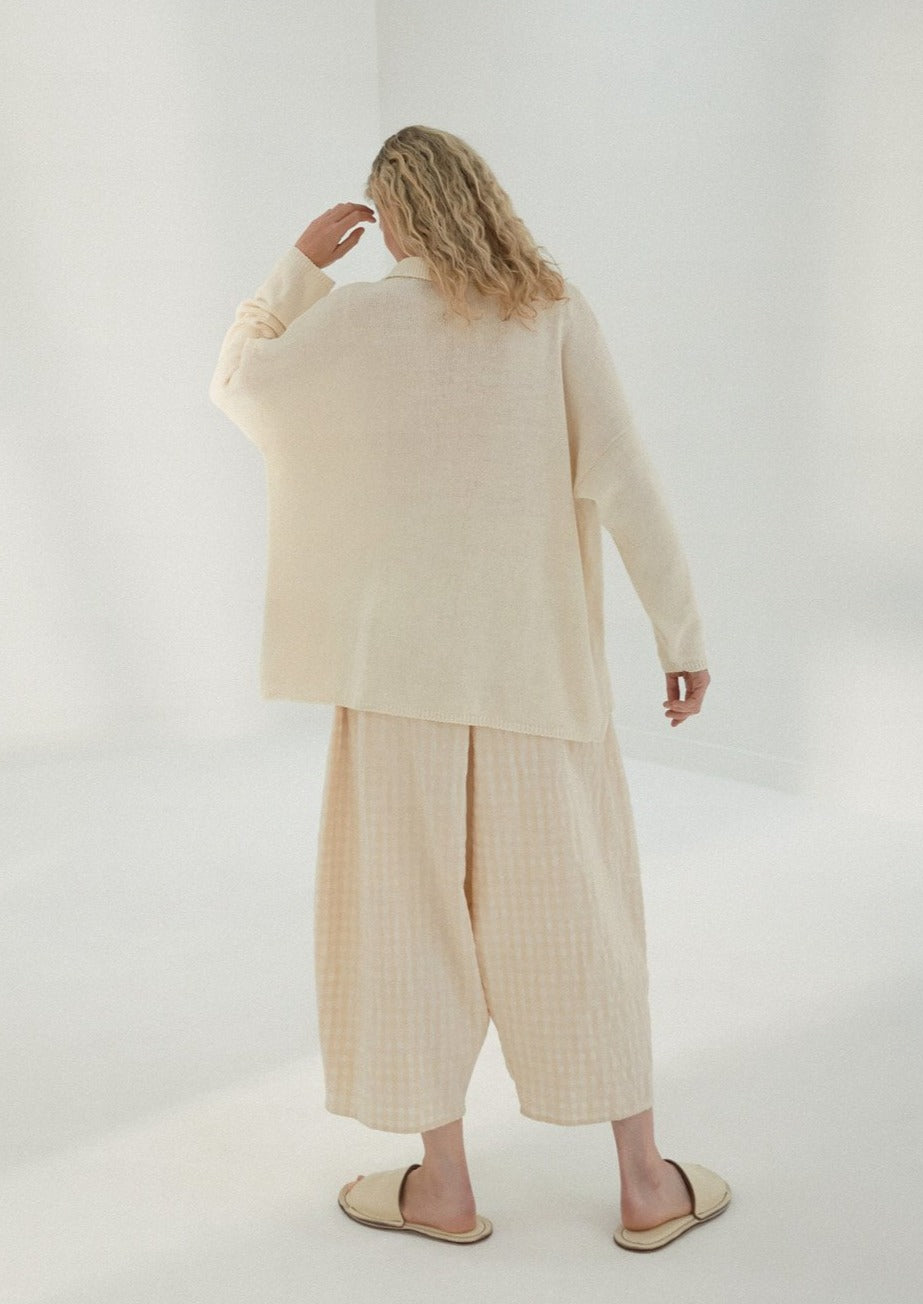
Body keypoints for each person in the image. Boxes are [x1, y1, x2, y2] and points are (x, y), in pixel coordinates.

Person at [208, 124, 730, 1250]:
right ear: (480, 199)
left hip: (395, 685)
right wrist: (678, 634)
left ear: (392, 214)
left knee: (403, 924)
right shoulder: (549, 314)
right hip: (536, 681)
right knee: (578, 920)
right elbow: (626, 478)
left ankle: (442, 1188)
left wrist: (297, 267)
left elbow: (238, 382)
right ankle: (645, 1183)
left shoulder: (350, 321)